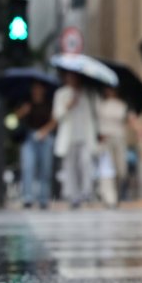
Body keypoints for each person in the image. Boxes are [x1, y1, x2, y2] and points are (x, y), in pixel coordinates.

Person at [53, 71, 99, 209]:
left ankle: (86, 191)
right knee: (70, 167)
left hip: (85, 136)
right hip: (69, 137)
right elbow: (57, 115)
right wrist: (68, 105)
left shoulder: (88, 94)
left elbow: (94, 114)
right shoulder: (61, 94)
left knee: (86, 163)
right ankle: (74, 196)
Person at [16, 82, 56, 210]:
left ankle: (44, 199)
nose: (37, 90)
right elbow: (14, 117)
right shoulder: (26, 102)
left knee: (45, 169)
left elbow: (55, 120)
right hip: (29, 136)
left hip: (46, 136)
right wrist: (23, 110)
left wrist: (45, 131)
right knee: (28, 167)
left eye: (39, 88)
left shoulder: (49, 103)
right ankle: (27, 198)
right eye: (34, 88)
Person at [99, 87, 140, 208]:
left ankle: (115, 195)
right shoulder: (100, 104)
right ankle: (109, 197)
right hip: (105, 140)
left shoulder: (123, 105)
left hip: (119, 139)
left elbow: (132, 120)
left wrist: (140, 130)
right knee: (107, 169)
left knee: (121, 170)